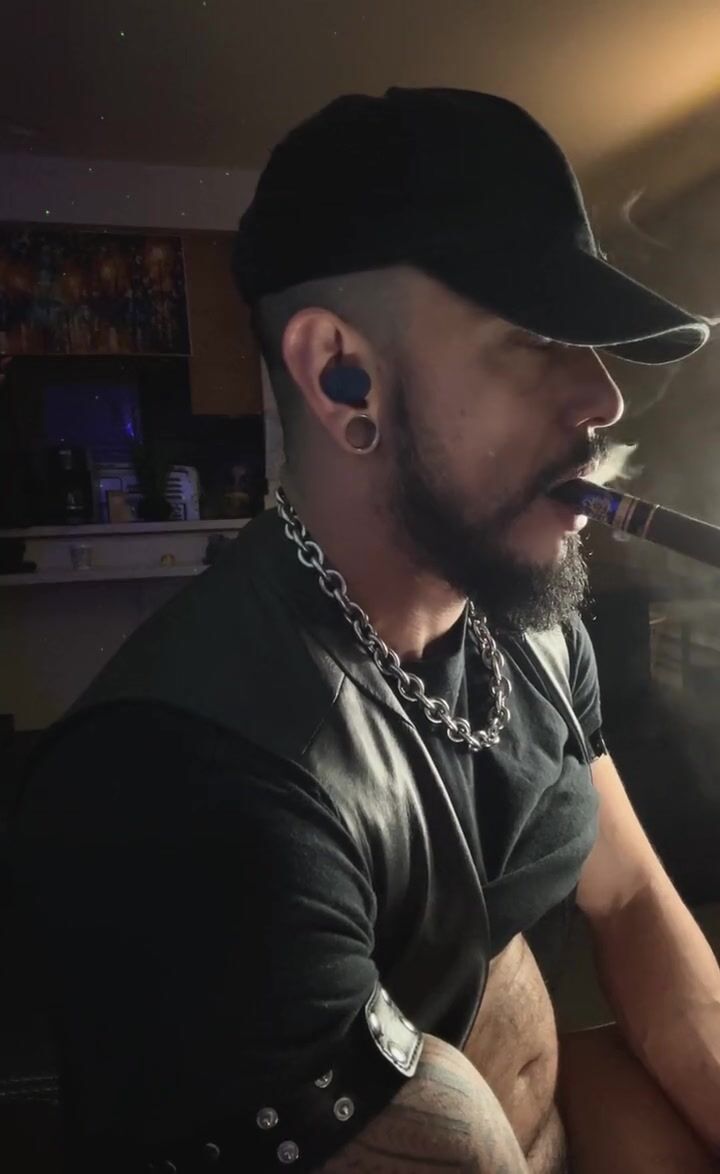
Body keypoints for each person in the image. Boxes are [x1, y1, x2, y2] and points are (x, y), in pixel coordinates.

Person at [11, 88, 720, 1174]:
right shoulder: (190, 784)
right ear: (344, 376)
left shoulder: (527, 626)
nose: (605, 398)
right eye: (537, 336)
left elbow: (624, 893)